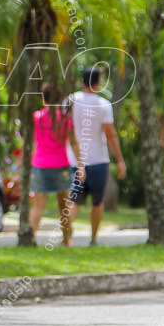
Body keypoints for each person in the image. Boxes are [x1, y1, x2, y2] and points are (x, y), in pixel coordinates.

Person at [64, 66, 127, 246]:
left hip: (74, 160)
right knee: (97, 202)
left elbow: (63, 129)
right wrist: (120, 160)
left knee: (73, 200)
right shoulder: (103, 104)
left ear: (82, 82)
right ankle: (93, 238)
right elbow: (110, 134)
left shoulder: (70, 101)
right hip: (99, 160)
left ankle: (66, 237)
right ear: (98, 83)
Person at [28, 86, 85, 245]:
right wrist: (81, 165)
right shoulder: (65, 119)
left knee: (38, 206)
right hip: (61, 165)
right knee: (63, 206)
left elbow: (32, 141)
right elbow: (73, 142)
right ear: (60, 100)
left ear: (43, 99)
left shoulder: (36, 117)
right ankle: (66, 240)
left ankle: (31, 237)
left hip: (40, 164)